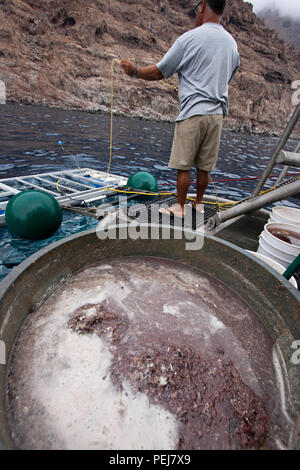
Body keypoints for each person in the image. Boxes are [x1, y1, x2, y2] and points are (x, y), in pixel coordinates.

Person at [121, 0, 240, 217]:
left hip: (193, 113)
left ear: (202, 6)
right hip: (216, 116)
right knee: (204, 166)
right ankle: (199, 204)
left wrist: (135, 71)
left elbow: (159, 71)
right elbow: (224, 78)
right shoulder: (231, 44)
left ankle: (180, 207)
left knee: (183, 165)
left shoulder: (190, 38)